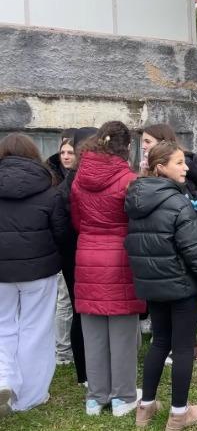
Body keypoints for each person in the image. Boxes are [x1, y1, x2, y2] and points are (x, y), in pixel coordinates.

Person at [125, 141, 197, 431]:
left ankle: (145, 409)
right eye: (179, 163)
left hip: (153, 286)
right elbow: (196, 251)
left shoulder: (136, 199)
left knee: (159, 342)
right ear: (160, 167)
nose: (186, 168)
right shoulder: (176, 202)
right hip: (181, 288)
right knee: (182, 348)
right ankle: (179, 413)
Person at [71, 121, 145, 416]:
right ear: (127, 147)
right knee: (123, 331)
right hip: (119, 257)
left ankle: (95, 396)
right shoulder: (129, 179)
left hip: (87, 254)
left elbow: (77, 221)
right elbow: (136, 221)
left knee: (93, 332)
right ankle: (123, 396)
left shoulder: (79, 178)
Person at [0, 133, 68, 416]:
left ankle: (4, 379)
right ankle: (30, 397)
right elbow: (61, 233)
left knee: (3, 327)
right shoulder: (50, 189)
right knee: (36, 331)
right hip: (39, 272)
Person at [58, 127, 98, 387]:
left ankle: (87, 368)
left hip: (80, 253)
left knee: (84, 311)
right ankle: (84, 371)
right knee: (81, 312)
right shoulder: (72, 184)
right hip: (76, 255)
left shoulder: (76, 179)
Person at [47, 129, 77, 366]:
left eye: (71, 152)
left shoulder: (77, 177)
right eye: (63, 152)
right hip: (63, 247)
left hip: (76, 246)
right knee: (64, 300)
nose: (66, 156)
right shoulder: (52, 176)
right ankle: (63, 351)